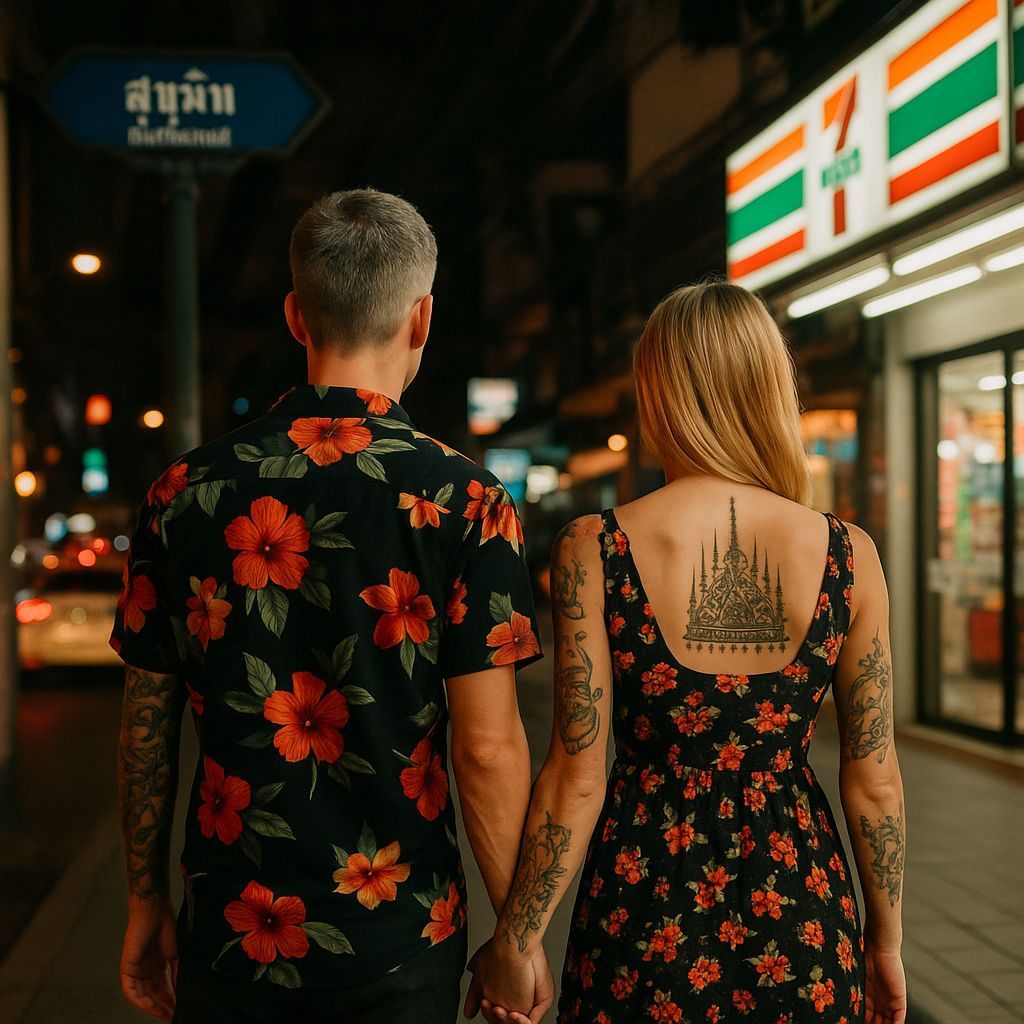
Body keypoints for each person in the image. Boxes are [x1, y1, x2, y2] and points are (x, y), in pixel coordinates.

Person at [110, 188, 551, 1024]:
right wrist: (516, 938)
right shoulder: (466, 499)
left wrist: (143, 901)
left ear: (295, 316)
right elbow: (487, 750)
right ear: (421, 318)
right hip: (401, 938)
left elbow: (147, 719)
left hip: (230, 934)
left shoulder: (185, 490)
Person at [467, 282, 907, 1024]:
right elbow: (876, 781)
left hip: (642, 909)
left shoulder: (594, 549)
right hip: (803, 908)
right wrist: (885, 943)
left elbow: (577, 778)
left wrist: (516, 939)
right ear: (770, 389)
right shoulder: (849, 556)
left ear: (658, 392)